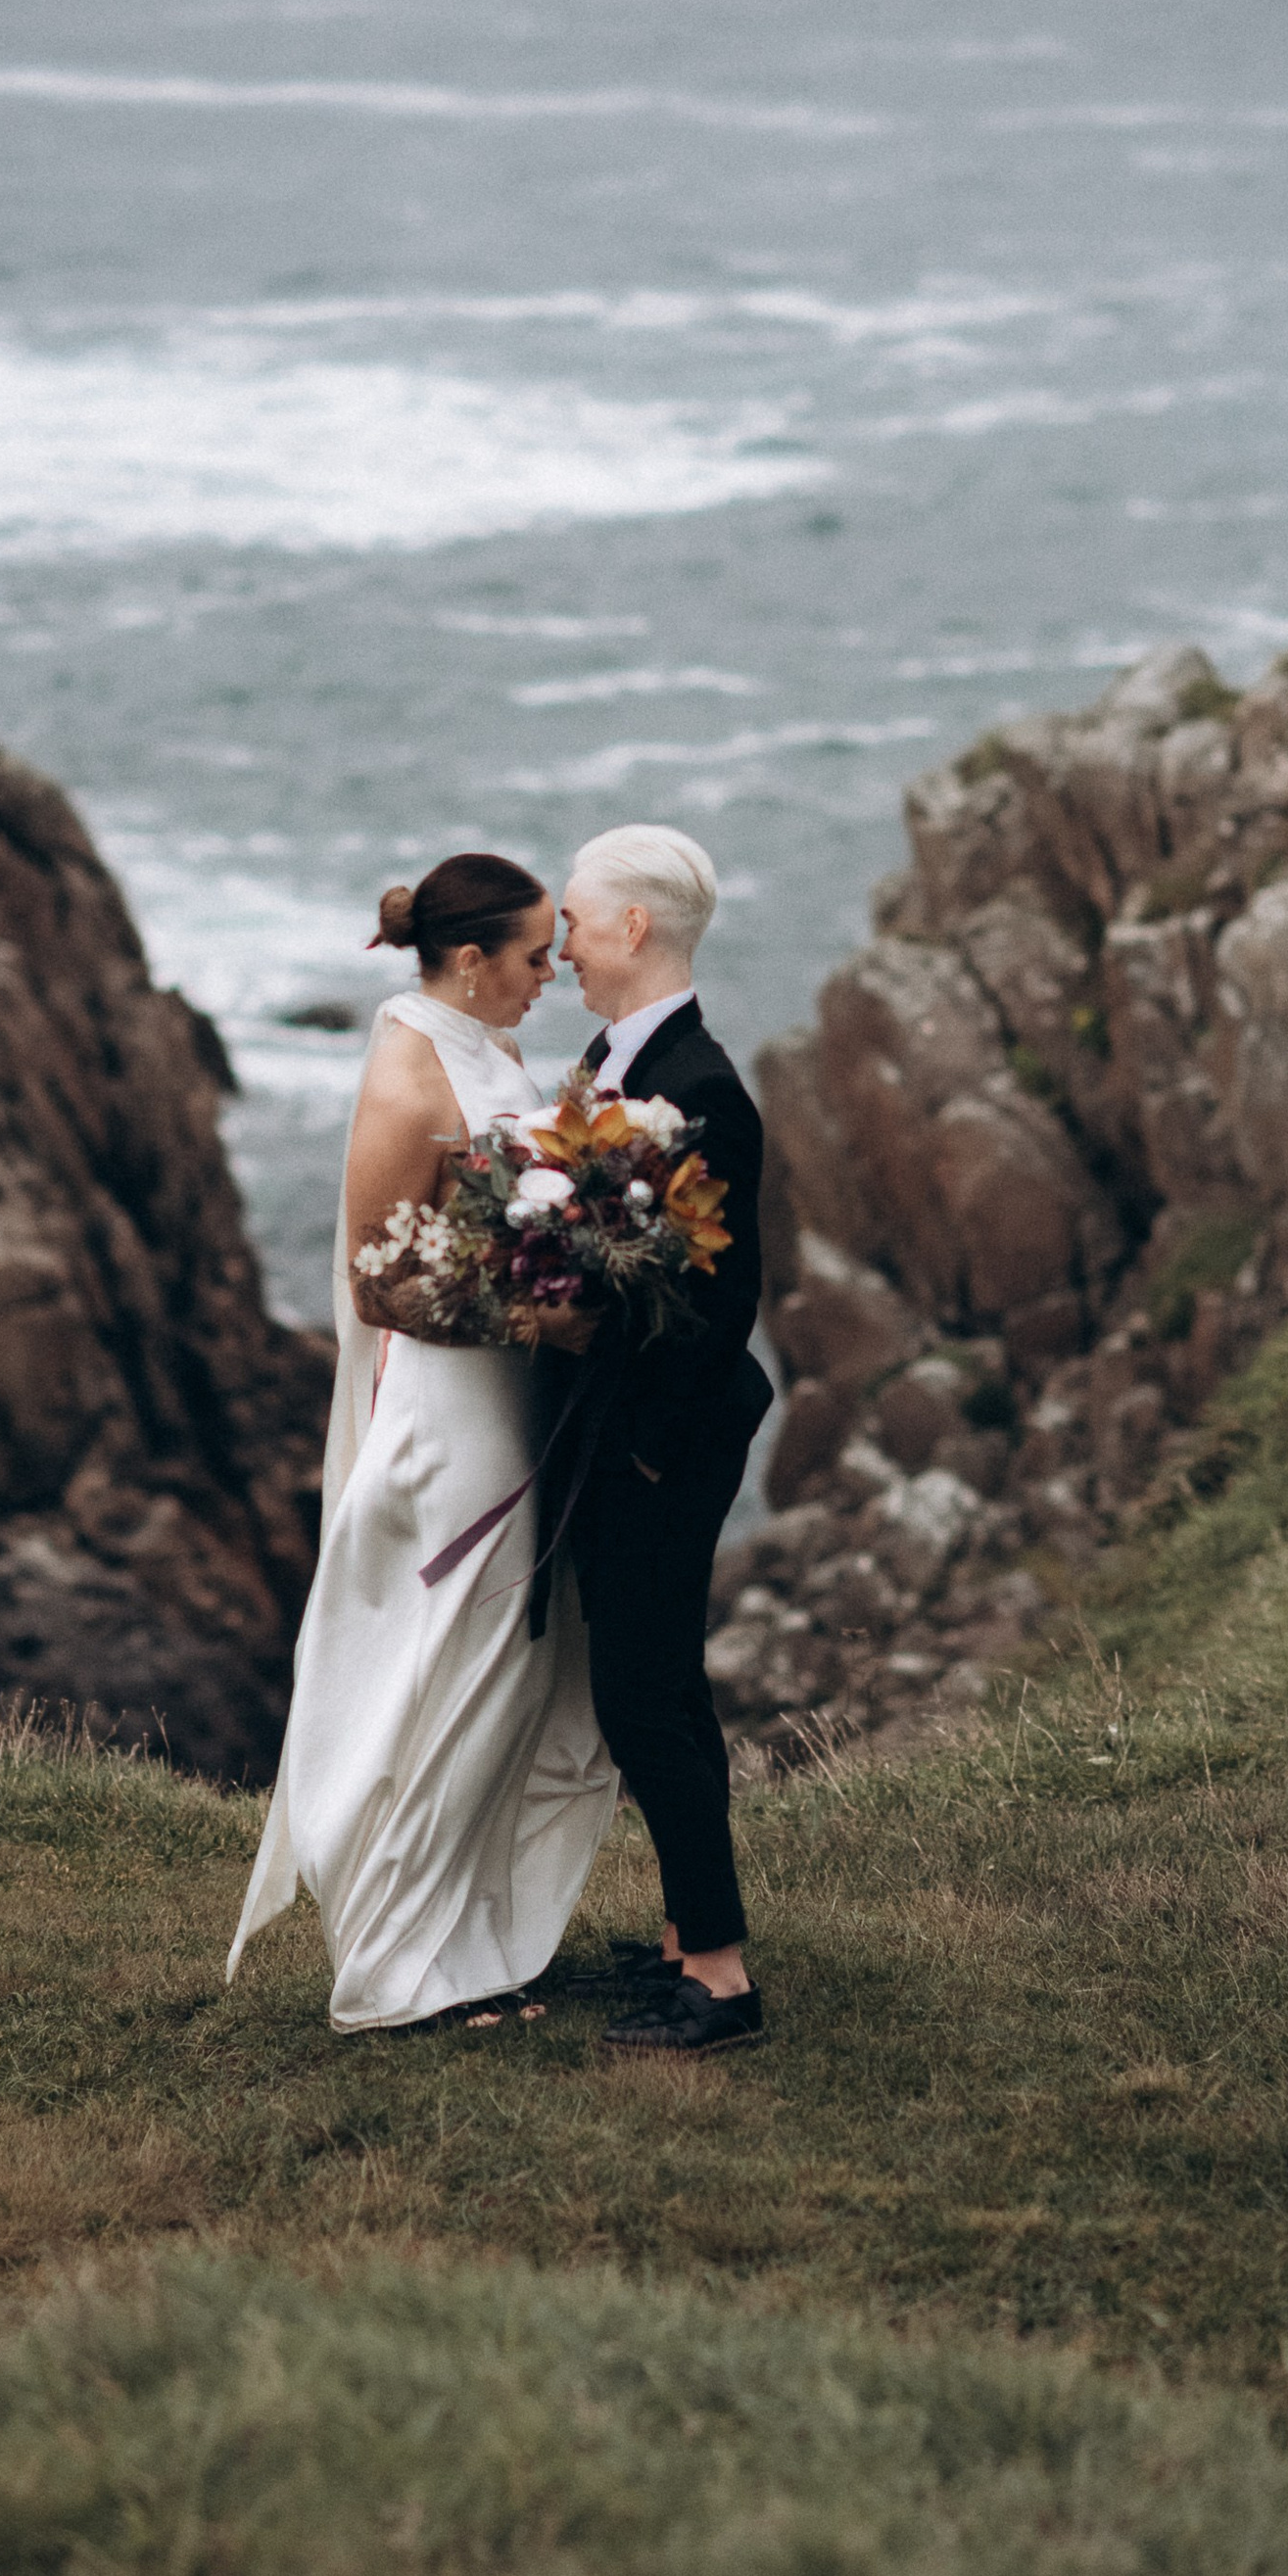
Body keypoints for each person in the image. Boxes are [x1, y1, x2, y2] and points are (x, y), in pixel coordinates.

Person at [224, 854, 616, 2028]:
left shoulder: (477, 1043)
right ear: (468, 961)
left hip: (503, 1400)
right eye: (536, 957)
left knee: (500, 1677)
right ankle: (393, 1976)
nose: (554, 974)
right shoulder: (407, 1073)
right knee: (453, 1672)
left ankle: (466, 1943)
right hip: (456, 1416)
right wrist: (549, 1313)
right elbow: (378, 1281)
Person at [557, 823, 775, 2056]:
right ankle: (691, 1942)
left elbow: (720, 1301)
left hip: (665, 1439)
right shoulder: (612, 1058)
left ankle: (725, 1984)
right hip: (637, 1429)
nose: (565, 948)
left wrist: (641, 1445)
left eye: (578, 924)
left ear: (632, 928)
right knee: (662, 1693)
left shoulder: (699, 1090)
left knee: (644, 1702)